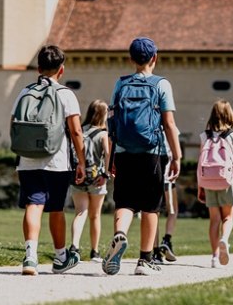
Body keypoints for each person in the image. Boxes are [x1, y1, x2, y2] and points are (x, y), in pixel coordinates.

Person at [101, 37, 182, 276]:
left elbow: (113, 122)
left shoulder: (120, 83)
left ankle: (120, 234)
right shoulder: (161, 84)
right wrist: (176, 156)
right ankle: (144, 260)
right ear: (154, 58)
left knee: (124, 202)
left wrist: (111, 157)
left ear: (131, 59)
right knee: (150, 207)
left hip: (124, 151)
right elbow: (168, 123)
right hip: (152, 153)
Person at [12, 45, 85, 276]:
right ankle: (61, 256)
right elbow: (76, 132)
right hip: (56, 160)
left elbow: (14, 124)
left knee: (33, 204)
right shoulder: (66, 94)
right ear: (61, 70)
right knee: (56, 208)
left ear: (39, 68)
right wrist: (82, 162)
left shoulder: (24, 93)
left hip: (27, 160)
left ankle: (30, 256)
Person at [197, 99, 233, 268]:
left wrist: (200, 186)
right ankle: (224, 240)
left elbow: (200, 164)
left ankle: (214, 257)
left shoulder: (205, 136)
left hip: (209, 181)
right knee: (227, 217)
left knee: (214, 220)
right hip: (227, 181)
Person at [70, 100, 111, 262]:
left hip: (78, 178)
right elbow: (108, 154)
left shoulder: (81, 130)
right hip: (97, 179)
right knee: (95, 216)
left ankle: (74, 246)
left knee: (80, 212)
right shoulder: (103, 134)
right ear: (103, 115)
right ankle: (94, 251)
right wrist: (106, 174)